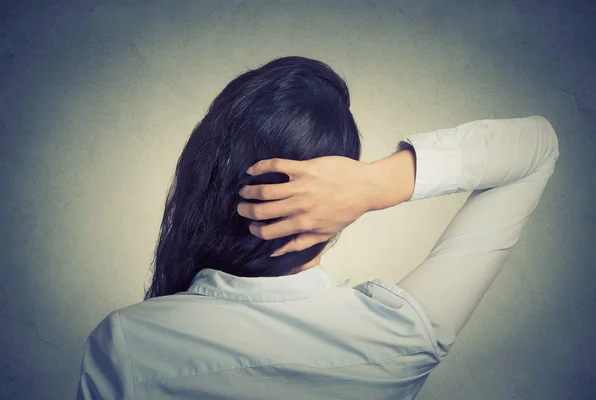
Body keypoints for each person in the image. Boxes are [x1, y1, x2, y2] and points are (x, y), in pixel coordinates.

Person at [76, 56, 560, 399]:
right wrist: (374, 183)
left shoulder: (129, 344)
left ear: (207, 178)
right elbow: (535, 148)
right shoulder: (404, 335)